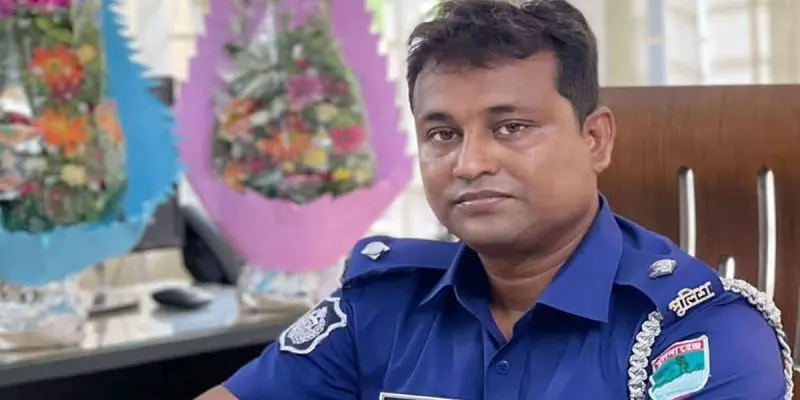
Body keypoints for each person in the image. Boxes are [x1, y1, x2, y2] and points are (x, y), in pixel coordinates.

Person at [197, 0, 792, 399]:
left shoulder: (699, 335)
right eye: (442, 134)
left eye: (511, 127)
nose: (470, 162)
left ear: (595, 139)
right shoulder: (380, 307)